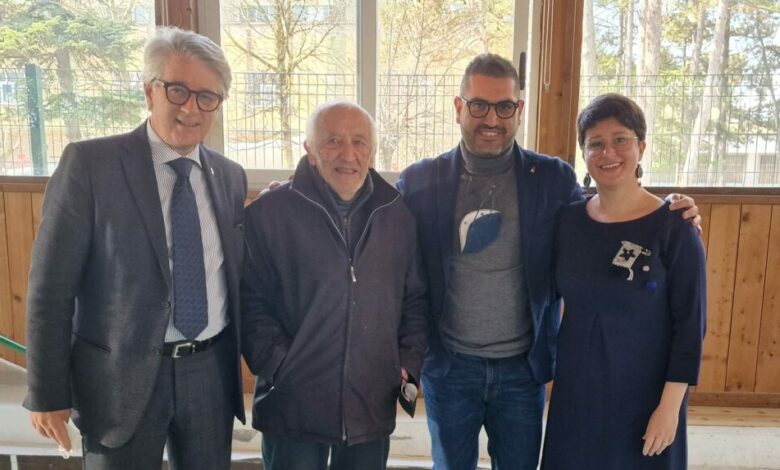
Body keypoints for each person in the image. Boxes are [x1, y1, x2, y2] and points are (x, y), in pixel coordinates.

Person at [396, 54, 700, 470]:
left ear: (519, 109)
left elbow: (610, 209)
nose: (491, 118)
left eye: (504, 106)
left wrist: (670, 208)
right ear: (458, 107)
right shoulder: (419, 181)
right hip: (450, 369)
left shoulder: (553, 179)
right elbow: (385, 236)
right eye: (478, 105)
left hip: (523, 370)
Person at [24, 26, 247, 469]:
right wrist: (47, 392)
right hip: (118, 379)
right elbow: (50, 288)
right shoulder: (91, 165)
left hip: (209, 373)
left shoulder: (229, 176)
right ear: (149, 91)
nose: (191, 107)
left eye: (207, 97)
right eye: (178, 90)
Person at [240, 100, 428, 470]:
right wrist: (279, 364)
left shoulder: (397, 215)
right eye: (333, 141)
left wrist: (407, 362)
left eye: (359, 141)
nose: (348, 154)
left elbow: (416, 300)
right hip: (293, 402)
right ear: (310, 150)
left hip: (370, 402)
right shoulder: (268, 214)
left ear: (372, 151)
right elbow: (249, 302)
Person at [541, 93, 707, 469]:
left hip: (646, 398)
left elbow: (690, 325)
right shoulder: (567, 222)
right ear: (584, 153)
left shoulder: (675, 227)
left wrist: (669, 408)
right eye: (595, 143)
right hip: (577, 395)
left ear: (641, 147)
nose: (608, 153)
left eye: (620, 140)